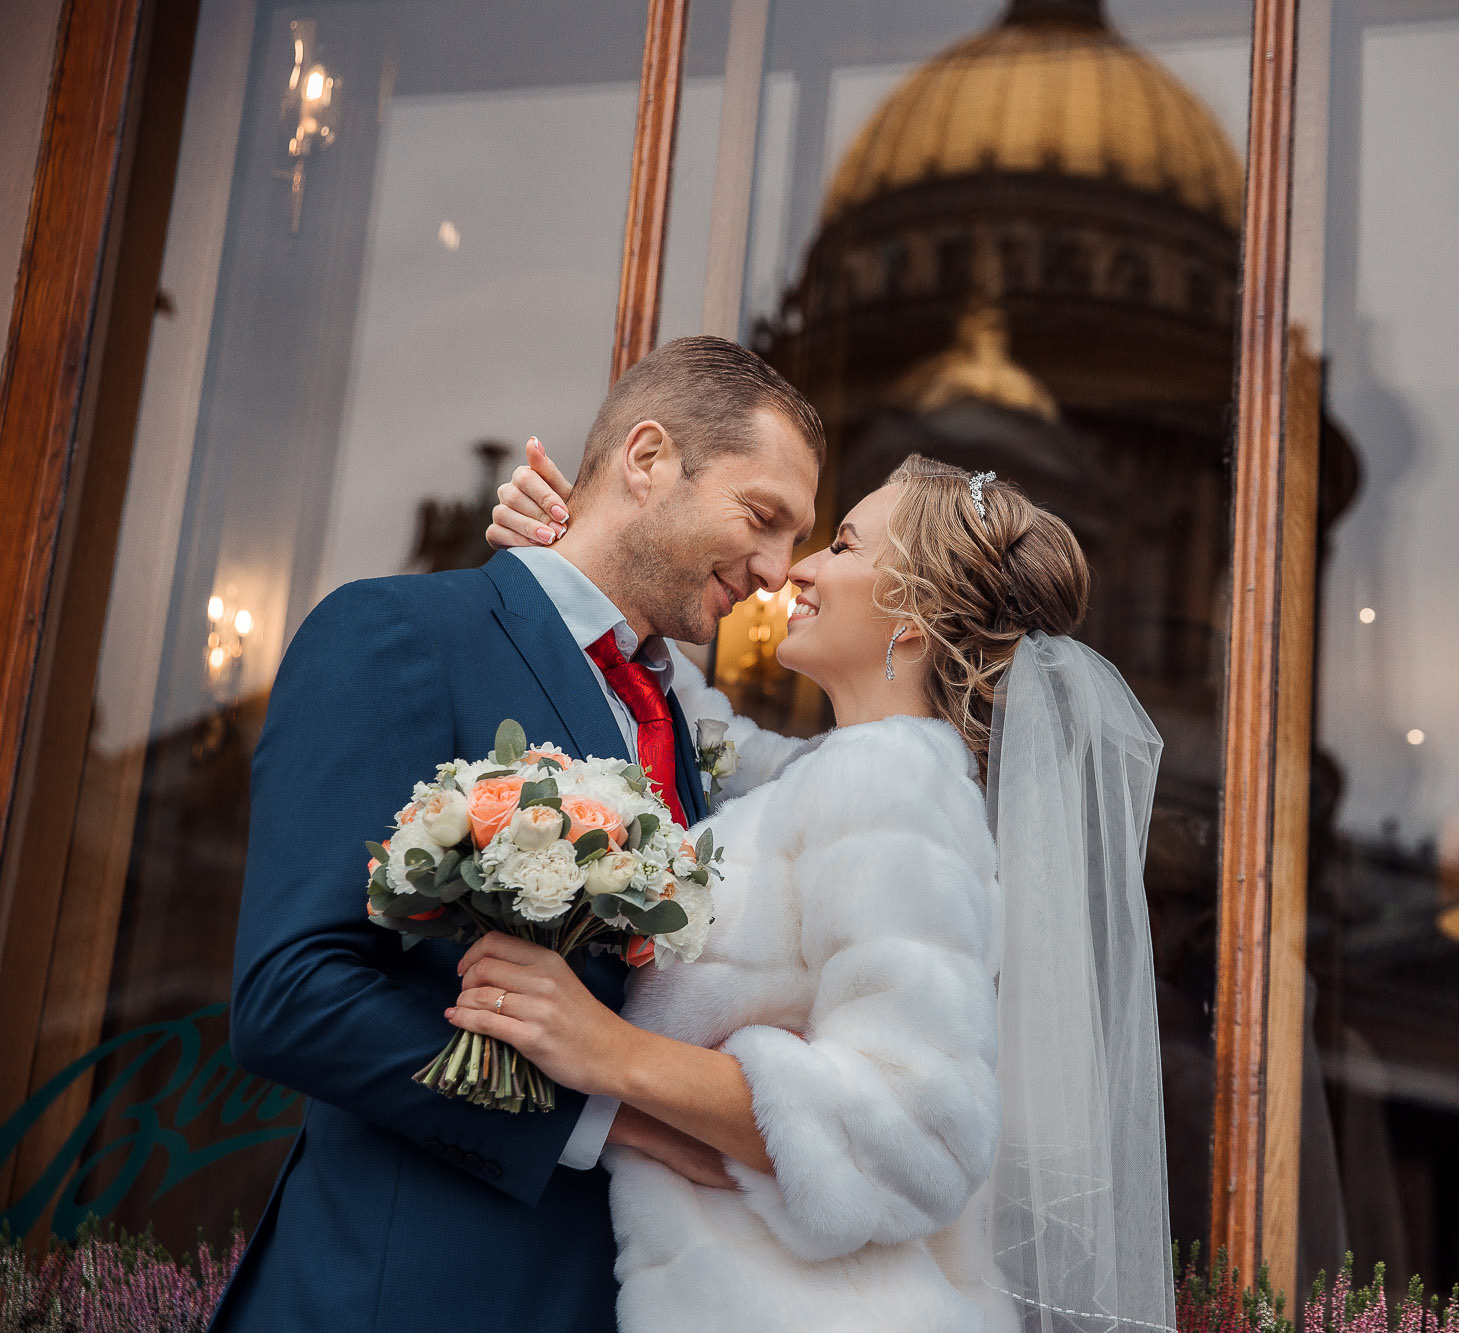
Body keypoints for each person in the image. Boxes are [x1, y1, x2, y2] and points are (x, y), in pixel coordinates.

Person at [476, 450, 1175, 1330]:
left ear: (913, 617)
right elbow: (701, 728)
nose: (799, 568)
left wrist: (607, 1050)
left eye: (842, 545)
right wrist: (578, 555)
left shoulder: (889, 791)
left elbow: (921, 1136)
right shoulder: (845, 777)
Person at [215, 336, 822, 1332]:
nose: (774, 571)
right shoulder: (402, 634)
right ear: (646, 459)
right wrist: (604, 1115)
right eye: (762, 519)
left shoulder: (686, 726)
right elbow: (292, 994)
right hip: (405, 1295)